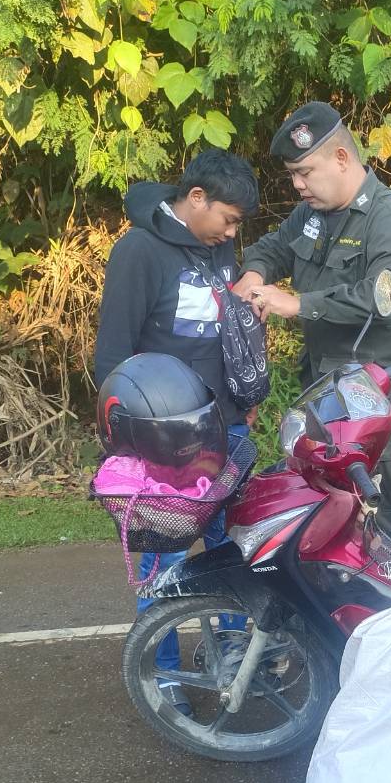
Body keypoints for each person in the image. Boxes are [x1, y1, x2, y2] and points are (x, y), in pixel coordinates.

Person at [94, 149, 262, 714]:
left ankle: (233, 654)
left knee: (230, 551)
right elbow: (113, 357)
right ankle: (161, 675)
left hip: (226, 430)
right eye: (228, 220)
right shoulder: (138, 251)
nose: (232, 233)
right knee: (161, 568)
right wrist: (128, 442)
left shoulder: (219, 247)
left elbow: (228, 332)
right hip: (162, 444)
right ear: (196, 198)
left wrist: (244, 399)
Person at [232, 101, 391, 538]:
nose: (298, 185)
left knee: (383, 522)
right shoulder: (312, 215)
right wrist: (255, 274)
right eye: (292, 175)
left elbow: (384, 298)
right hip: (325, 394)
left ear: (341, 158)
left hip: (377, 398)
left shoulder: (389, 217)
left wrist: (298, 304)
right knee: (328, 520)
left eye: (305, 172)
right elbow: (273, 247)